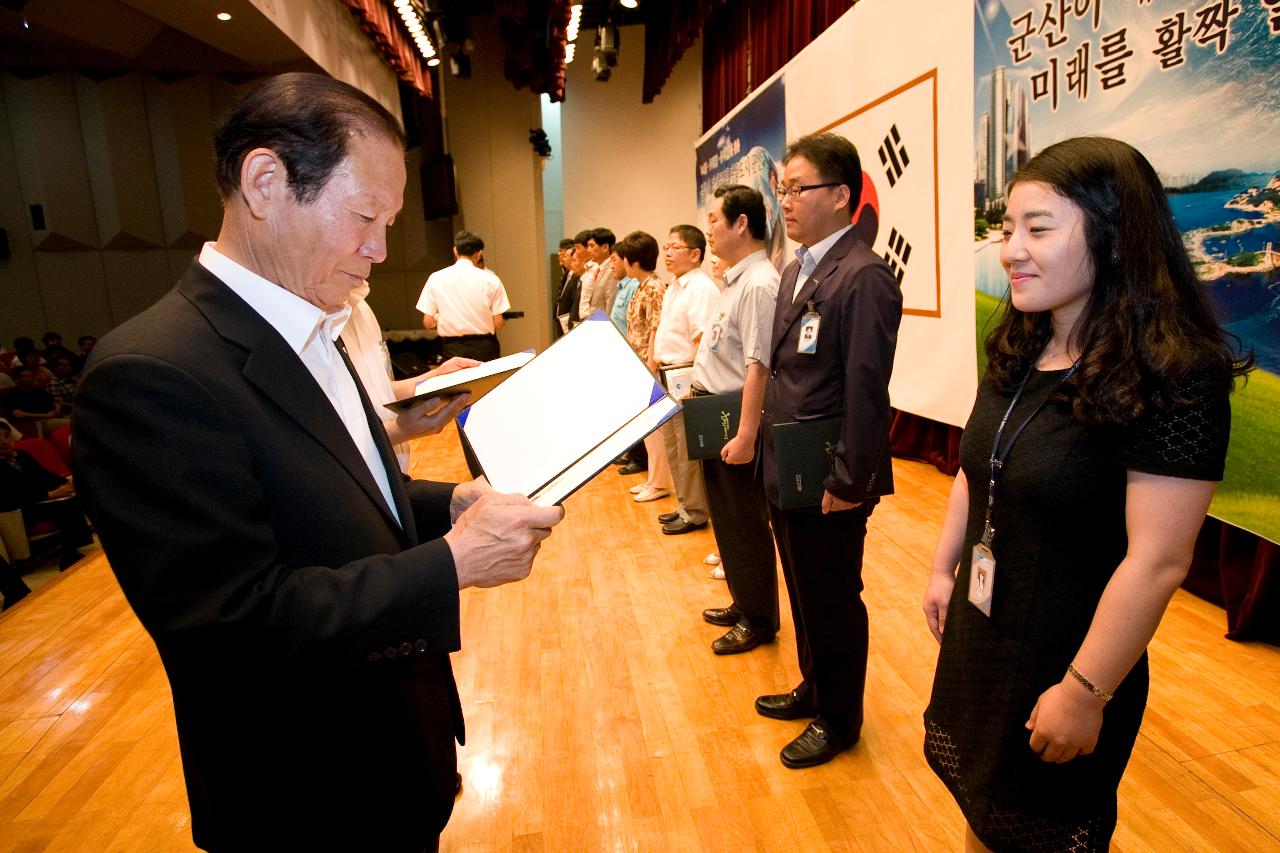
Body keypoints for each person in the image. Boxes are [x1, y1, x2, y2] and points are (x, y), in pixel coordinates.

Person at [71, 72, 564, 852]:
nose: (381, 246)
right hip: (307, 797)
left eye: (390, 219)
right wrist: (452, 564)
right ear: (265, 182)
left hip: (394, 758)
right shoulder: (151, 372)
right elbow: (231, 628)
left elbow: (342, 493)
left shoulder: (313, 323)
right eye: (366, 215)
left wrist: (449, 505)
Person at [921, 136, 1250, 852]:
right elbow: (982, 465)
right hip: (986, 629)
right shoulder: (1017, 340)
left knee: (1035, 828)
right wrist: (945, 565)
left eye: (1038, 228)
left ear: (1113, 234)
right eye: (1008, 228)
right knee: (983, 818)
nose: (1011, 248)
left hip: (1068, 656)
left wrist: (1084, 690)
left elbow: (1159, 560)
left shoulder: (1176, 375)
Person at [755, 132, 902, 769]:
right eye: (781, 189)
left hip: (829, 470)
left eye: (797, 188)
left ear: (841, 196)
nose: (784, 201)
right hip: (790, 460)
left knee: (834, 596)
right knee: (803, 585)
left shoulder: (864, 275)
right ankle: (815, 686)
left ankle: (840, 720)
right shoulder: (797, 267)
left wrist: (848, 479)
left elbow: (868, 389)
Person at [693, 184, 780, 655]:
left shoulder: (760, 283)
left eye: (713, 220)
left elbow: (758, 366)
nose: (708, 229)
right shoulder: (735, 279)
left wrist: (747, 433)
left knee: (745, 522)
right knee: (726, 520)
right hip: (713, 411)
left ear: (741, 223)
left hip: (734, 418)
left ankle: (760, 618)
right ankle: (744, 601)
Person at [343, 282, 480, 472]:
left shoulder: (361, 307)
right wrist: (399, 431)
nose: (378, 256)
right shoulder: (315, 320)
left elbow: (378, 390)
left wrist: (436, 376)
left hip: (393, 469)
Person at [650, 225, 719, 533]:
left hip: (685, 375)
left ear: (695, 254)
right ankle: (685, 504)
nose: (667, 253)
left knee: (689, 449)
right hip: (668, 373)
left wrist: (694, 384)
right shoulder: (675, 286)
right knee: (674, 446)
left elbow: (702, 339)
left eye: (674, 247)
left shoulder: (701, 288)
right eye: (665, 247)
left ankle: (695, 511)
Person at [614, 232, 671, 501]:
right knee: (647, 429)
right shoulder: (641, 285)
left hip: (648, 365)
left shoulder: (654, 287)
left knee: (655, 428)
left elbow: (655, 328)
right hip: (636, 362)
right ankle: (653, 480)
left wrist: (650, 366)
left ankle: (659, 483)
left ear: (634, 261)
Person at [417, 229, 511, 362]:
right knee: (490, 383)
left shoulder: (436, 278)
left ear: (455, 251)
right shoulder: (491, 279)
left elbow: (428, 322)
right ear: (479, 254)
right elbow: (498, 322)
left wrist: (443, 317)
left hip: (453, 349)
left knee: (459, 383)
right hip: (485, 347)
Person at [577, 227, 619, 321]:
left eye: (592, 246)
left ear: (605, 247)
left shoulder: (612, 271)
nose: (588, 250)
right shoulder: (599, 269)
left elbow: (610, 306)